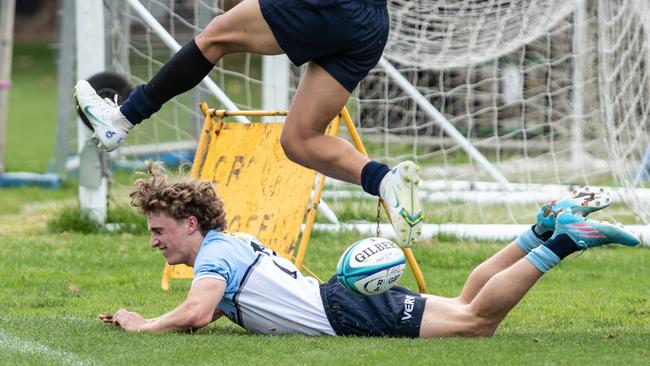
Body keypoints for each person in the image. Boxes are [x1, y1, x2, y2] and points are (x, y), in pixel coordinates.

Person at [99, 169, 640, 337]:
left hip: (344, 313)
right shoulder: (225, 246)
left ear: (189, 223)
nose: (153, 240)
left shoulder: (215, 258)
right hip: (341, 301)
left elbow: (195, 311)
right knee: (461, 301)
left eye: (158, 229)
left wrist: (141, 324)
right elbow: (209, 313)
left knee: (477, 323)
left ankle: (566, 240)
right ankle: (541, 230)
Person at [74, 0, 423, 247]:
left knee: (215, 37)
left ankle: (121, 119)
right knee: (300, 139)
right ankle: (385, 182)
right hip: (371, 25)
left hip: (329, 6)